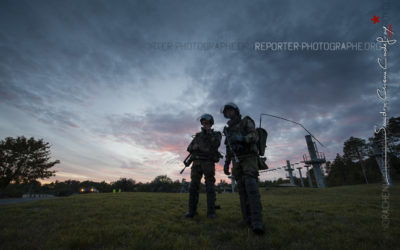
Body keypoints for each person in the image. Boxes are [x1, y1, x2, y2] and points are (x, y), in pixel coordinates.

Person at [221, 102, 265, 234]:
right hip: (236, 161)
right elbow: (229, 148)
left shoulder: (246, 121)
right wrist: (226, 163)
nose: (229, 113)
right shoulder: (228, 129)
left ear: (235, 111)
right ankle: (246, 219)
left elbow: (254, 135)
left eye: (230, 110)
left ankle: (257, 222)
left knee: (251, 187)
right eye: (226, 112)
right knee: (241, 189)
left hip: (249, 158)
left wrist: (243, 138)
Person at [184, 114, 222, 219]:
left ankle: (211, 212)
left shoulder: (216, 134)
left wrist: (208, 133)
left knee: (210, 187)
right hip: (196, 163)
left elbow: (216, 144)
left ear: (211, 123)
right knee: (193, 187)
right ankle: (192, 211)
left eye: (207, 123)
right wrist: (194, 146)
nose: (205, 124)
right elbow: (189, 148)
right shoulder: (198, 136)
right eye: (203, 123)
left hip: (208, 163)